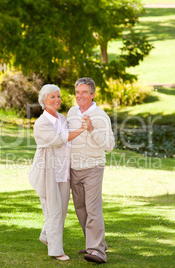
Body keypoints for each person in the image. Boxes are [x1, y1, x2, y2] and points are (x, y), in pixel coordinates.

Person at [28, 84, 87, 261]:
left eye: (58, 96)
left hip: (63, 172)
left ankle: (46, 236)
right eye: (52, 97)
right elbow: (58, 140)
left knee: (60, 211)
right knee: (53, 211)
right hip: (48, 172)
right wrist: (81, 129)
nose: (57, 100)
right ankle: (55, 250)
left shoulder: (62, 118)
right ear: (44, 101)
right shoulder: (41, 123)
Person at [67, 77, 115, 264]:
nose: (80, 96)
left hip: (93, 168)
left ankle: (97, 252)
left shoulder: (101, 116)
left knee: (93, 209)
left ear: (93, 94)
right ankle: (94, 243)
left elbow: (110, 145)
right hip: (74, 168)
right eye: (78, 92)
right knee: (80, 208)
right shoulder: (71, 112)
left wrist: (93, 130)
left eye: (84, 92)